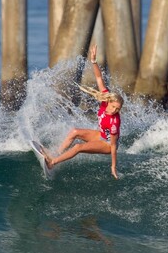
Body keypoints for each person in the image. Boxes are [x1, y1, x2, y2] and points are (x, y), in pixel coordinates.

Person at [42, 45, 123, 179]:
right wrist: (93, 61)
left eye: (118, 109)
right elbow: (99, 79)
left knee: (79, 147)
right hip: (101, 135)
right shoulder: (105, 99)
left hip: (107, 144)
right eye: (114, 106)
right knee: (74, 132)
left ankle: (53, 162)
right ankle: (55, 153)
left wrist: (113, 166)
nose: (115, 110)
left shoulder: (114, 122)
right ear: (109, 101)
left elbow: (113, 146)